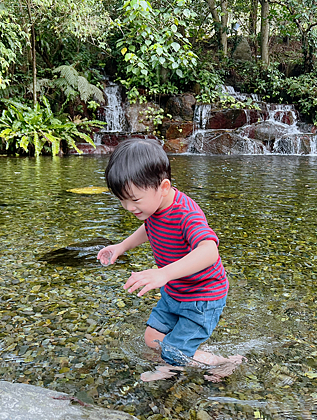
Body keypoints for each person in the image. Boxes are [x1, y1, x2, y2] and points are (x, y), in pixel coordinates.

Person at [97, 138, 243, 381]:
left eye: (134, 200)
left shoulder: (186, 213)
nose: (128, 207)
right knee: (152, 337)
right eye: (122, 200)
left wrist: (163, 274)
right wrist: (121, 247)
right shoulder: (153, 208)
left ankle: (217, 364)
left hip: (203, 297)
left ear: (163, 187)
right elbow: (149, 228)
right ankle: (204, 359)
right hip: (175, 292)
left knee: (174, 351)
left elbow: (209, 251)